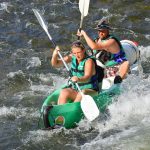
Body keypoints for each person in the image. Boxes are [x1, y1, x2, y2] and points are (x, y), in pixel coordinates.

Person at [51, 41, 103, 105]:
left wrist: (78, 79)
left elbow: (87, 77)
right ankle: (60, 110)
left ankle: (72, 111)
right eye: (74, 53)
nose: (77, 55)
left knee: (82, 93)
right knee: (64, 92)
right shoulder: (72, 57)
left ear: (84, 50)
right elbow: (55, 64)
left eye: (78, 52)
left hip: (91, 91)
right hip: (77, 89)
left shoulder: (89, 61)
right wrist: (54, 55)